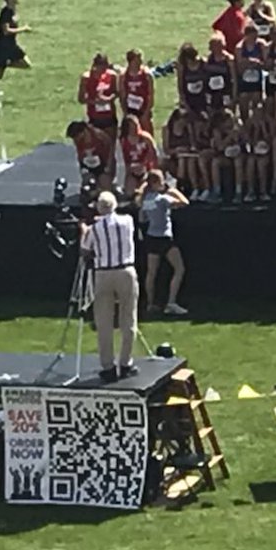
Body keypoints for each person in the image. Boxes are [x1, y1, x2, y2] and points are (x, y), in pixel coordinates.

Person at [81, 191, 139, 382]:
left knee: (103, 322)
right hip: (125, 271)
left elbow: (85, 250)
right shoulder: (127, 221)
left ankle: (108, 367)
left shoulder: (93, 229)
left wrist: (85, 229)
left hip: (103, 273)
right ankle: (125, 363)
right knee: (128, 320)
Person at [137, 169, 190, 317]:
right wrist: (171, 190)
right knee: (179, 269)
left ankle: (150, 303)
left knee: (151, 272)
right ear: (155, 183)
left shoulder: (146, 200)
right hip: (164, 237)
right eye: (161, 182)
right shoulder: (162, 199)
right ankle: (171, 303)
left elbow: (142, 219)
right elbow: (185, 202)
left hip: (151, 237)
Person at [0, 0, 30, 93]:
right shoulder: (6, 12)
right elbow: (6, 31)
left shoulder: (13, 11)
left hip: (11, 44)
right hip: (4, 45)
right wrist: (23, 29)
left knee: (26, 64)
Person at [78, 52, 119, 147]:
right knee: (98, 145)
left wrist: (109, 99)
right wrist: (95, 102)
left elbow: (116, 92)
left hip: (109, 115)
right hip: (95, 117)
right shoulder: (86, 78)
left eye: (105, 68)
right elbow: (81, 99)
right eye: (101, 68)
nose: (103, 71)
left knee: (111, 145)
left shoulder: (111, 76)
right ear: (95, 66)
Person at [66, 119, 114, 190]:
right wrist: (83, 170)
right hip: (88, 165)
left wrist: (108, 166)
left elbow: (110, 148)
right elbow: (80, 157)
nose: (75, 140)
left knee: (106, 188)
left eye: (76, 137)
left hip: (102, 164)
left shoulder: (99, 136)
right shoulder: (78, 142)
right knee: (89, 187)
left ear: (83, 132)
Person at [120, 114, 160, 196]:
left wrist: (147, 166)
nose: (135, 129)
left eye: (137, 125)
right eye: (132, 127)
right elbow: (123, 159)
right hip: (132, 170)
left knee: (142, 191)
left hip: (146, 169)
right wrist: (130, 170)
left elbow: (154, 154)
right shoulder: (124, 141)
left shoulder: (146, 138)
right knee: (129, 193)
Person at [119, 48, 155, 135]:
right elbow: (122, 95)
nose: (140, 62)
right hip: (130, 109)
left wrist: (146, 112)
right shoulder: (124, 76)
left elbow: (151, 95)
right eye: (137, 60)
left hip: (143, 109)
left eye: (140, 59)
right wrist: (125, 113)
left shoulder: (146, 75)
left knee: (146, 132)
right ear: (131, 61)